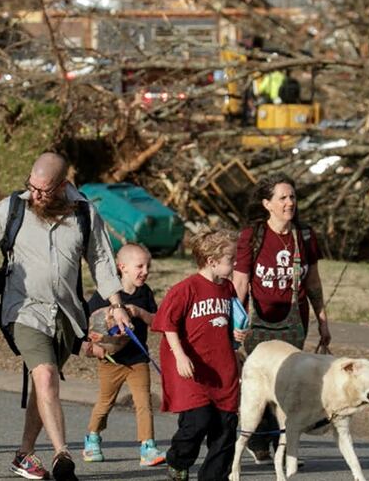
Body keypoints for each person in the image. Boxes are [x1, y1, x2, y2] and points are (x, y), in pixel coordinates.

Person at [0, 152, 130, 481]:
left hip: (65, 314)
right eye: (31, 187)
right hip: (24, 308)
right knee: (45, 376)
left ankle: (24, 454)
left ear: (62, 186)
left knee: (42, 386)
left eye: (43, 190)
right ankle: (63, 455)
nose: (35, 195)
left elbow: (101, 260)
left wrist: (117, 303)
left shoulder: (84, 213)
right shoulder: (14, 207)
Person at [232, 174, 332, 465]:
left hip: (294, 324)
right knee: (261, 383)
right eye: (283, 198)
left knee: (291, 386)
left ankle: (286, 449)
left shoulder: (305, 235)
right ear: (267, 204)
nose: (290, 203)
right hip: (259, 325)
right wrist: (231, 327)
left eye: (292, 197)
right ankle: (261, 439)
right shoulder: (253, 236)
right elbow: (240, 284)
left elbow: (313, 282)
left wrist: (323, 321)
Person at [152, 230, 246, 481]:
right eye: (230, 259)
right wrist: (180, 356)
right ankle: (178, 460)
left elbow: (226, 320)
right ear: (212, 261)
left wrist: (234, 335)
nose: (235, 263)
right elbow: (167, 324)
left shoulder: (227, 288)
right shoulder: (186, 289)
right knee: (198, 421)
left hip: (222, 368)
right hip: (192, 368)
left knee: (225, 428)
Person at [80, 243, 165, 467]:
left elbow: (157, 322)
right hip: (111, 360)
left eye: (148, 266)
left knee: (144, 402)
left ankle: (147, 447)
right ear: (122, 267)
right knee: (106, 402)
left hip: (138, 358)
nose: (145, 271)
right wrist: (93, 347)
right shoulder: (105, 293)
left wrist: (139, 312)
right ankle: (92, 438)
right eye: (139, 266)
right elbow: (86, 326)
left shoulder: (145, 293)